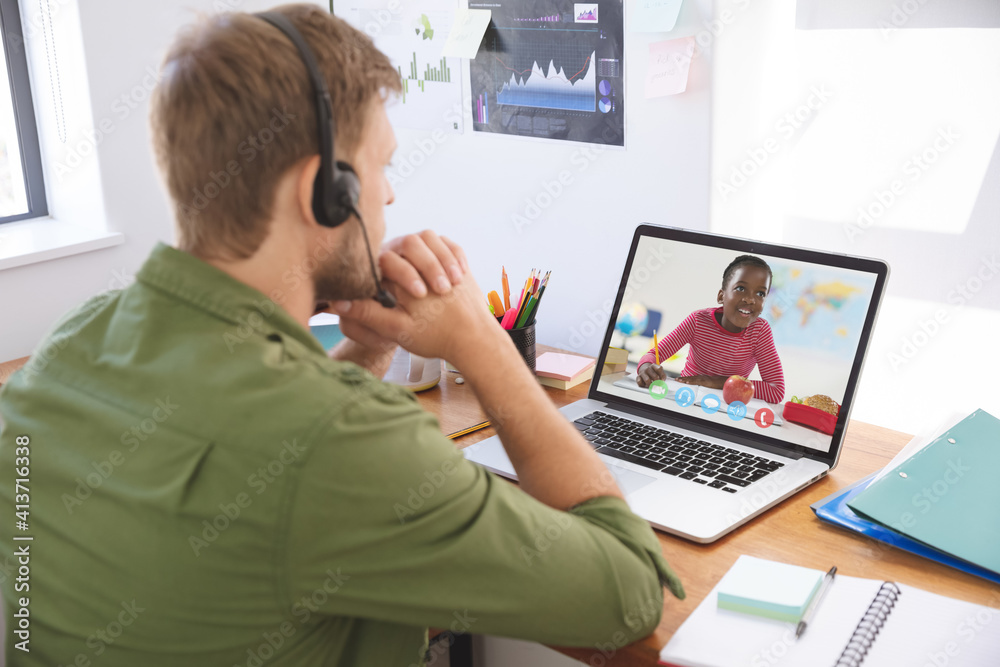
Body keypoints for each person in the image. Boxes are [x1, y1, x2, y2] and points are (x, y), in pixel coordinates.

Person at [0, 5, 682, 665]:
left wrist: (374, 348)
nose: (388, 196)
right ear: (325, 192)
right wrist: (483, 343)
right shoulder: (340, 442)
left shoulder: (68, 348)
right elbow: (629, 589)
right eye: (382, 166)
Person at [635, 255, 785, 404]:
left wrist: (715, 382)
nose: (750, 299)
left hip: (726, 409)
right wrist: (646, 367)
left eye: (760, 293)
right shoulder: (698, 320)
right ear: (721, 296)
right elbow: (653, 355)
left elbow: (776, 391)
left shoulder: (760, 331)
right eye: (740, 288)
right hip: (686, 399)